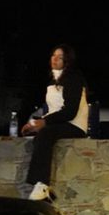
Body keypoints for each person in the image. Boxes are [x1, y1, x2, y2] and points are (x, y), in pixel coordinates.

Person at [22, 45, 90, 202]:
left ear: (67, 61)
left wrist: (44, 123)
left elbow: (70, 111)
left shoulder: (73, 78)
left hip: (74, 124)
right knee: (39, 136)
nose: (54, 59)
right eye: (53, 55)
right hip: (59, 123)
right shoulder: (53, 80)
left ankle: (42, 185)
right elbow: (52, 110)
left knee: (45, 134)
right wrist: (34, 124)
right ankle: (44, 190)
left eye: (59, 57)